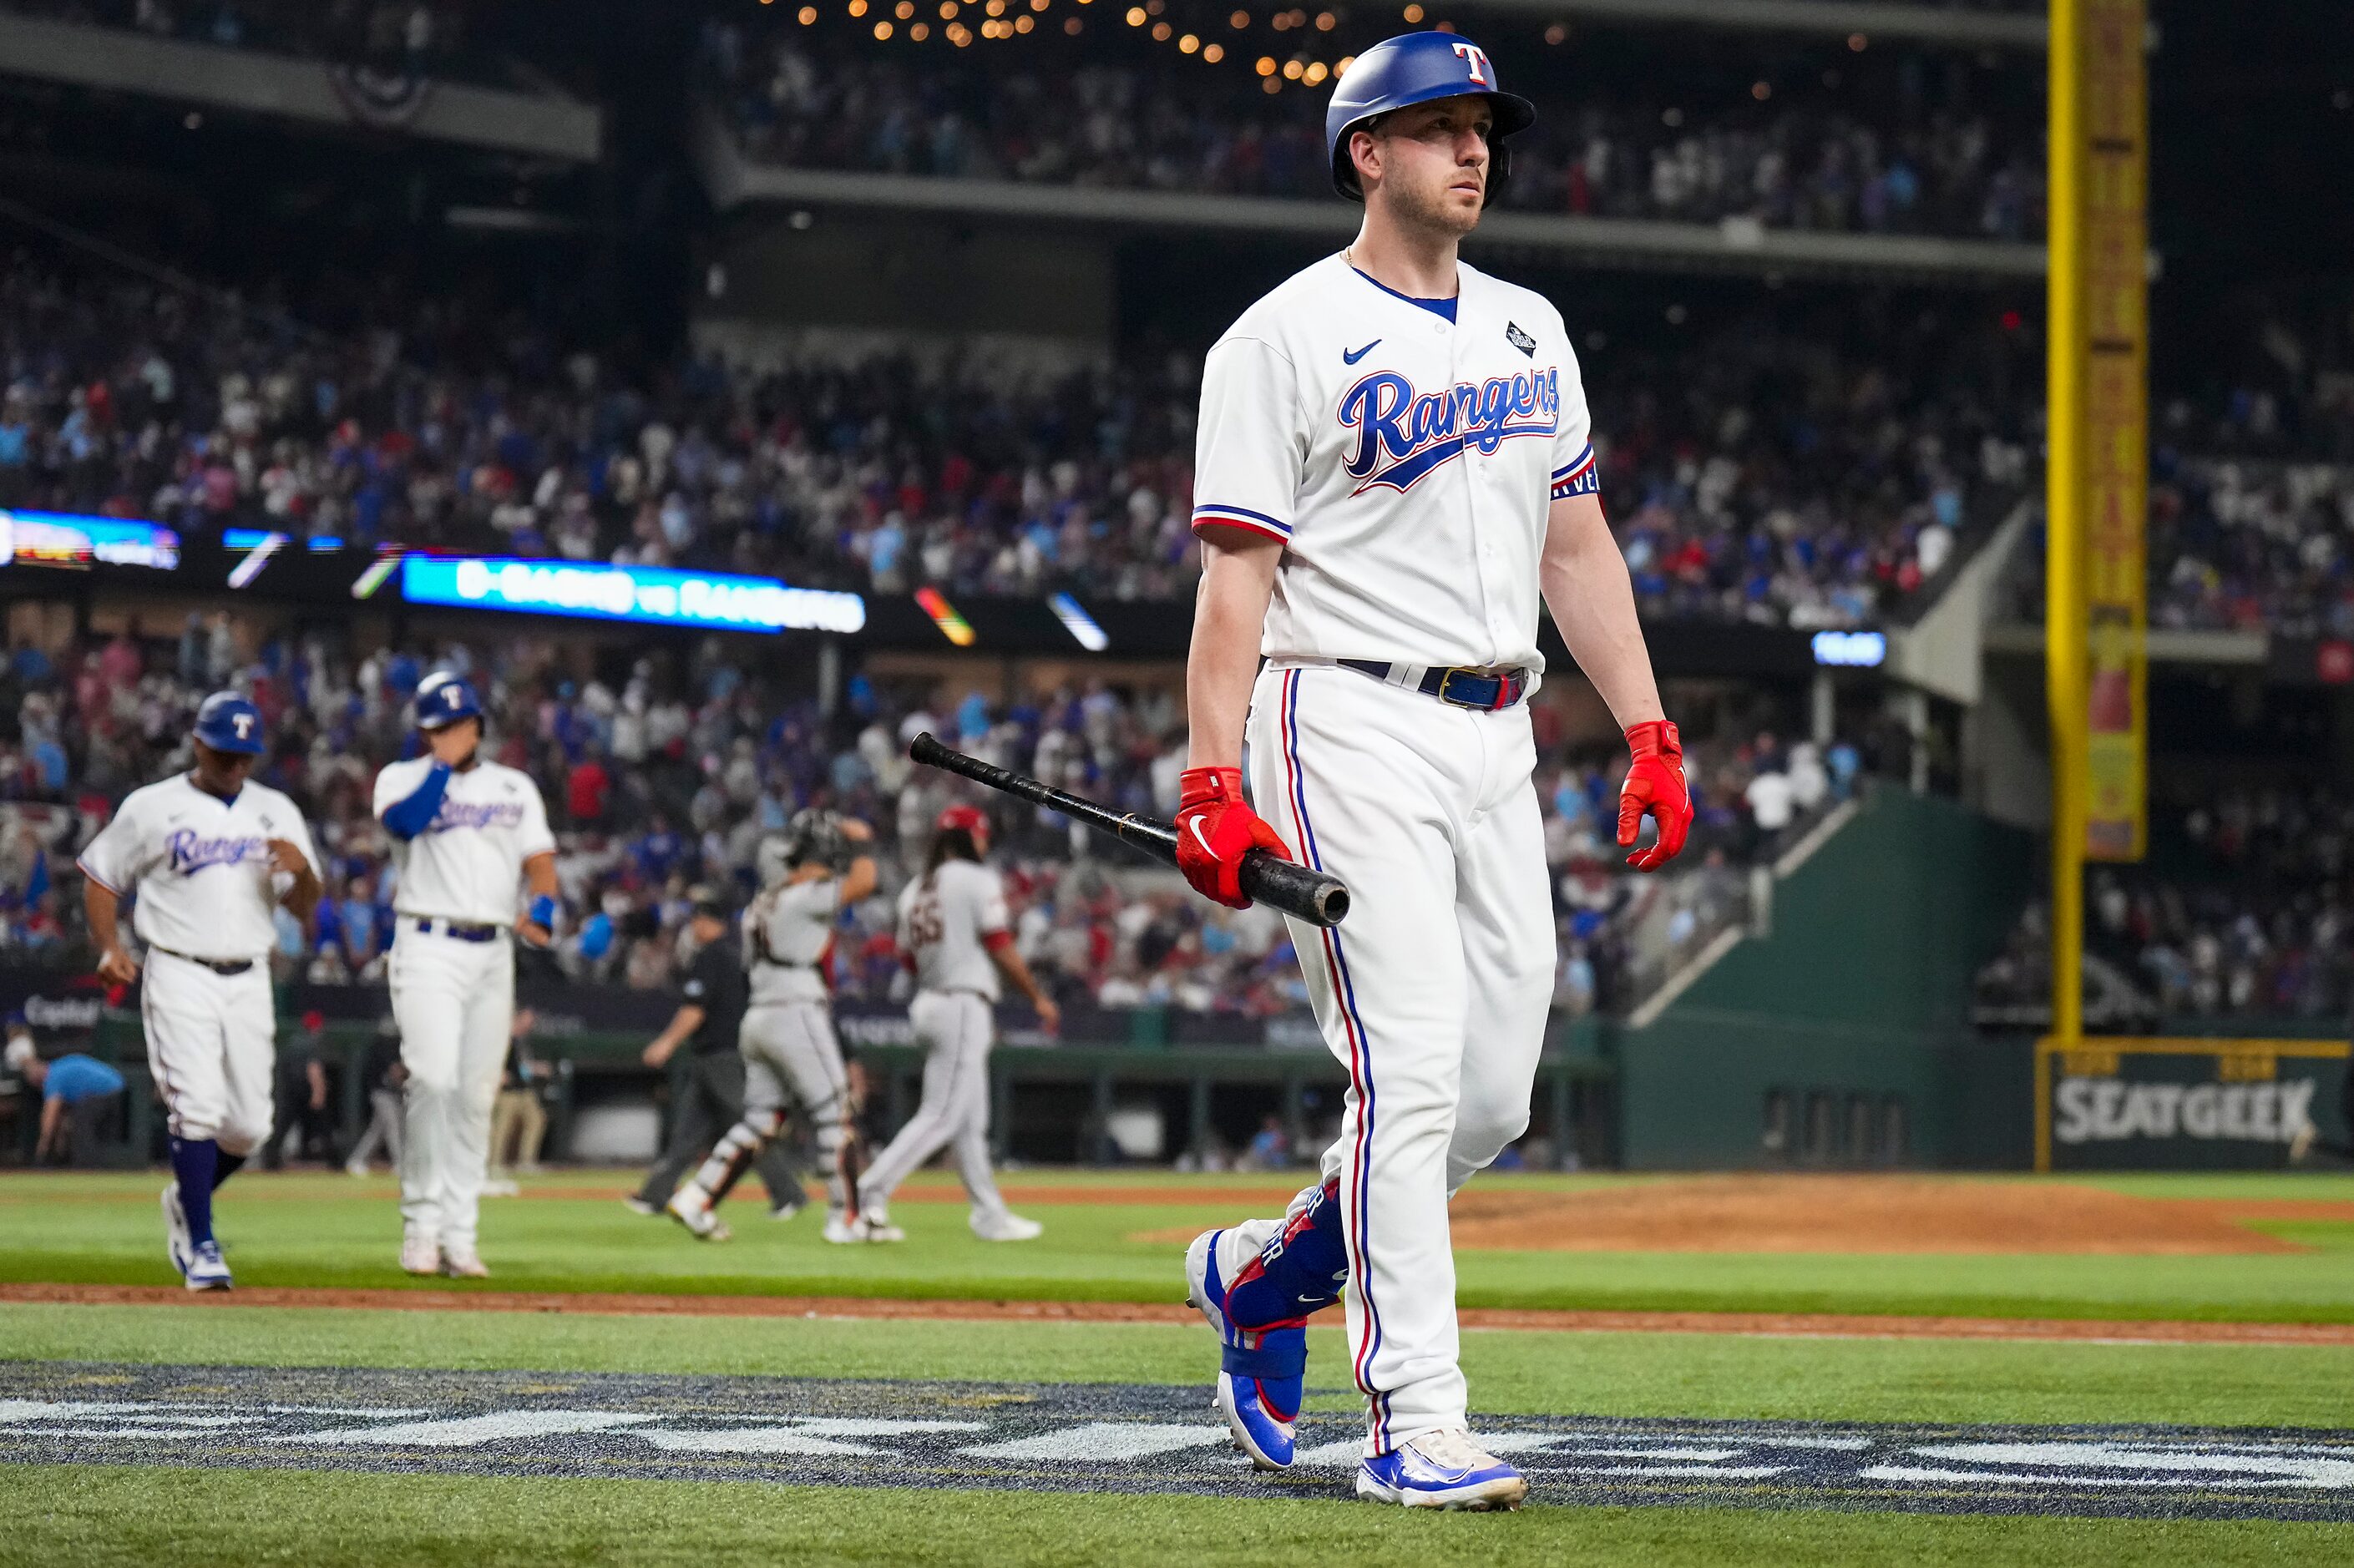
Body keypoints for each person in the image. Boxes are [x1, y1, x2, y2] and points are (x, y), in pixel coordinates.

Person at [1168, 33, 1693, 1510]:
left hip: (1494, 733)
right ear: (1364, 152)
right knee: (1401, 1075)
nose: (1471, 150)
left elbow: (1571, 542)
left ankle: (1262, 1275)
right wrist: (1214, 778)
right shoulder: (1275, 336)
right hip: (1338, 714)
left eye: (1479, 127)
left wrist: (1644, 723)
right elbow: (1232, 582)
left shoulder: (1529, 326)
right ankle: (1413, 1420)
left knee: (1489, 1100)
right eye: (1436, 127)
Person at [77, 692, 324, 1289]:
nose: (236, 765)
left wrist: (306, 873)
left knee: (249, 1127)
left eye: (245, 756)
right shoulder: (152, 805)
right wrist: (110, 947)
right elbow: (100, 875)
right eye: (225, 753)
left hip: (249, 975)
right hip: (178, 968)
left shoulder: (276, 810)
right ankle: (204, 1246)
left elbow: (308, 908)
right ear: (197, 744)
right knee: (198, 1108)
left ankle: (186, 1200)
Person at [372, 671, 559, 1279]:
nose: (453, 734)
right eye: (440, 726)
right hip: (427, 942)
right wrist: (440, 767)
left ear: (479, 724)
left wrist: (546, 905)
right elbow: (404, 825)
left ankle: (460, 1234)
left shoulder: (514, 785)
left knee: (479, 1093)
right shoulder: (402, 779)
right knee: (431, 1079)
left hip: (492, 948)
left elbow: (539, 858)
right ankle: (421, 1228)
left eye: (462, 724)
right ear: (426, 731)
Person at [666, 810, 878, 1244]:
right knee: (834, 1114)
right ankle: (846, 1218)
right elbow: (864, 882)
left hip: (759, 1016)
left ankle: (697, 1198)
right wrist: (861, 843)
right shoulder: (805, 897)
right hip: (796, 1009)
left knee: (761, 1121)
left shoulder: (760, 903)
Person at [852, 805, 1060, 1243]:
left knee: (969, 1123)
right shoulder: (974, 878)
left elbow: (906, 959)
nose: (984, 844)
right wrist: (1037, 996)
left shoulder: (914, 889)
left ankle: (989, 1215)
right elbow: (1000, 944)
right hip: (961, 1002)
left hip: (930, 999)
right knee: (943, 1115)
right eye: (980, 836)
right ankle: (871, 1189)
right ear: (969, 839)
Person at [628, 889, 807, 1221]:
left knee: (749, 1127)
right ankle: (655, 1195)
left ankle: (790, 1194)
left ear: (706, 921)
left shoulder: (711, 955)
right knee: (688, 1133)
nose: (693, 926)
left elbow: (695, 1009)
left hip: (721, 1055)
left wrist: (666, 1043)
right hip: (722, 1052)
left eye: (696, 919)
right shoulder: (738, 955)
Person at [7, 1030, 127, 1167]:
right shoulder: (58, 1069)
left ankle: (86, 1167)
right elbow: (61, 1117)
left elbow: (50, 1117)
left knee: (81, 1122)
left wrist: (42, 1150)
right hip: (113, 1088)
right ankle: (85, 1164)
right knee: (78, 1120)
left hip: (107, 1090)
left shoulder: (53, 1078)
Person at [487, 1007, 549, 1192]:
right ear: (518, 1018)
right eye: (527, 1021)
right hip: (507, 1091)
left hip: (523, 1089)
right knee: (502, 1127)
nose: (530, 1025)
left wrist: (535, 1069)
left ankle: (526, 1161)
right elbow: (490, 1059)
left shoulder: (521, 1041)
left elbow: (521, 1066)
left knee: (537, 1120)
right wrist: (496, 1073)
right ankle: (494, 1164)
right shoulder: (503, 1037)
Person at [343, 1019, 407, 1176]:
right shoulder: (383, 1049)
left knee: (377, 1130)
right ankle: (399, 1164)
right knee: (393, 1127)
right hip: (382, 1094)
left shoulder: (383, 1047)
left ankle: (356, 1160)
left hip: (386, 1093)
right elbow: (395, 1072)